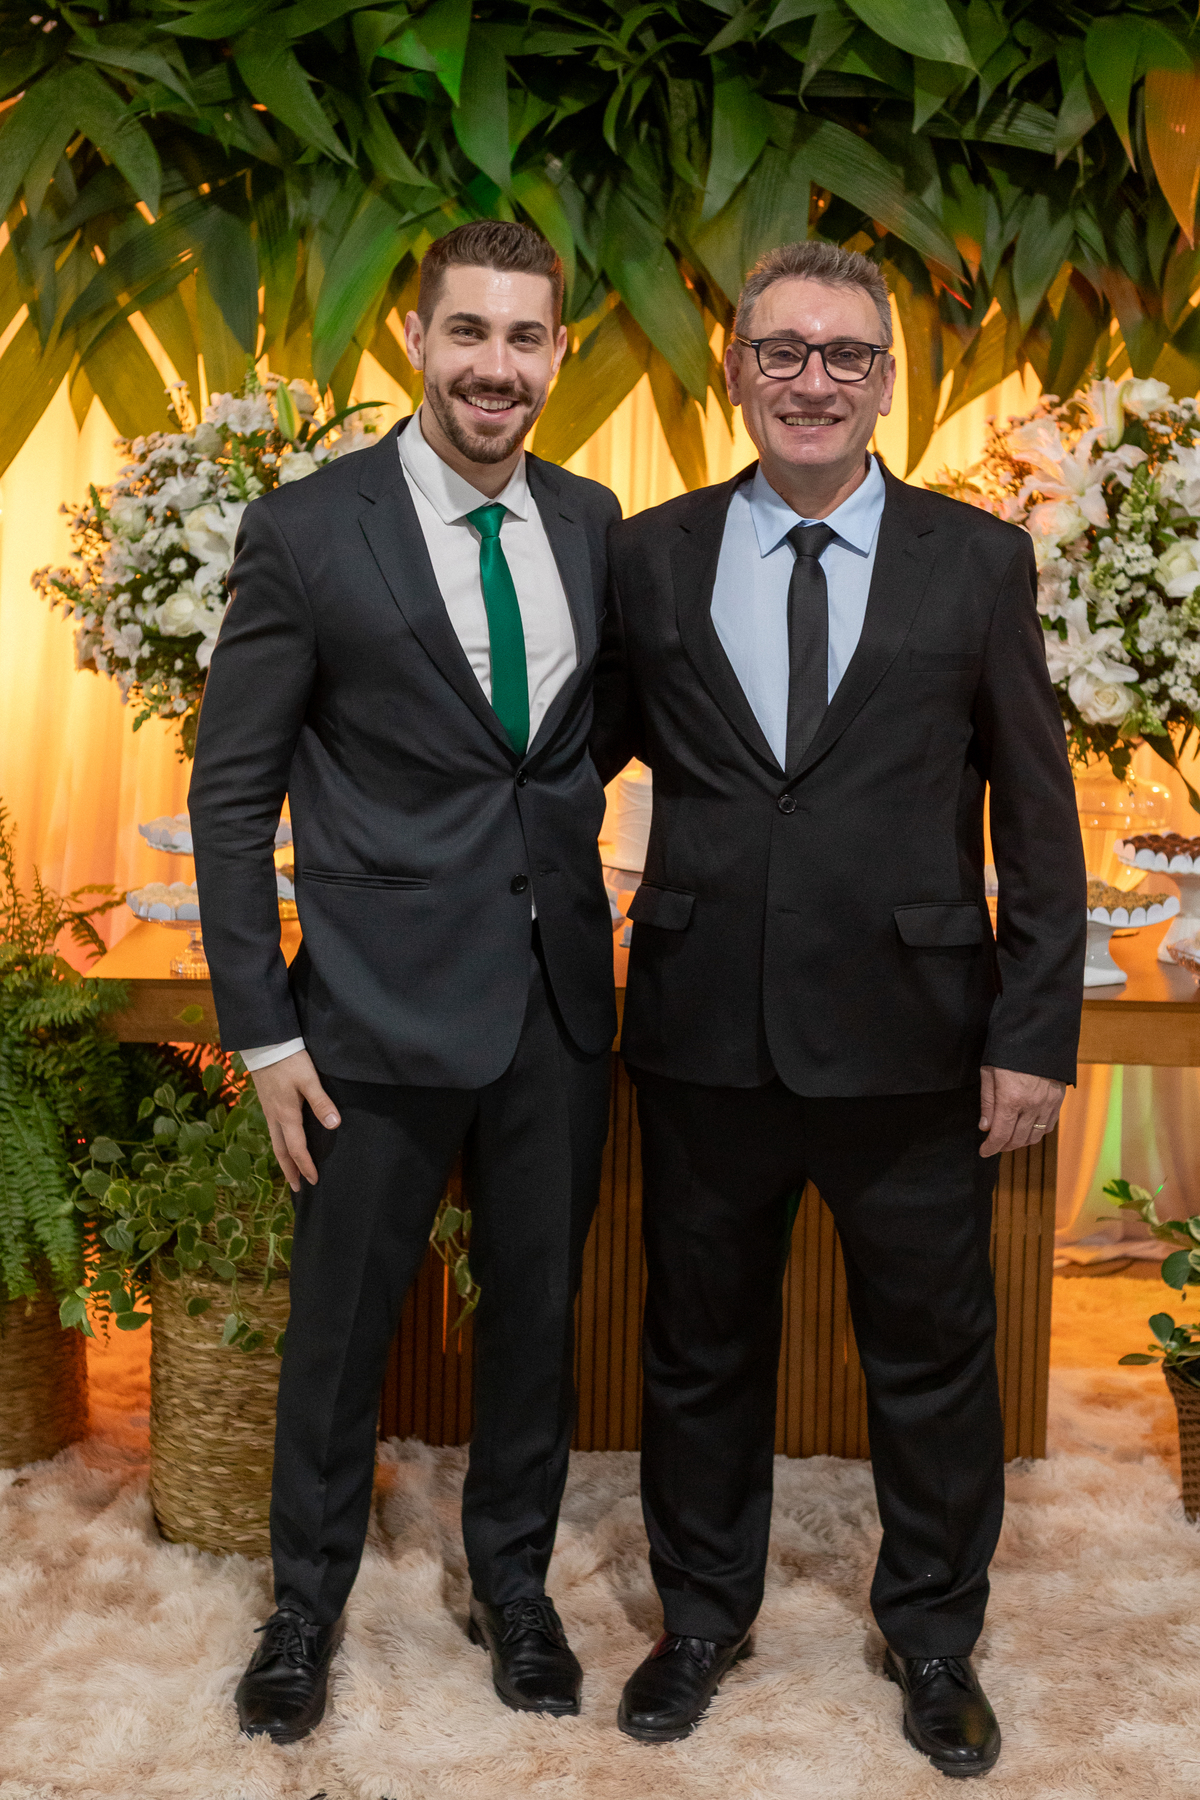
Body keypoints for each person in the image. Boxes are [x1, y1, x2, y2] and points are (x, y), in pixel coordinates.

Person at [591, 240, 1085, 1776]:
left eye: (845, 355)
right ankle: (700, 1618)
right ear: (736, 369)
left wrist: (1031, 1034)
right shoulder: (649, 556)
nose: (813, 379)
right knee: (699, 1350)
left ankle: (933, 1634)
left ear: (886, 382)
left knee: (933, 1357)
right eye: (784, 351)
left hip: (913, 1038)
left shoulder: (978, 562)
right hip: (704, 1033)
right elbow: (564, 764)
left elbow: (1040, 814)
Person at [189, 221, 621, 1744]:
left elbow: (572, 746)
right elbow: (229, 797)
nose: (496, 366)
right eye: (470, 332)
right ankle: (303, 1606)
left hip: (556, 1004)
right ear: (417, 341)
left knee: (538, 1319)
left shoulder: (592, 522)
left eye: (525, 337)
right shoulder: (310, 531)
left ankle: (514, 1586)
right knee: (340, 1333)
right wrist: (262, 1033)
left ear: (557, 355)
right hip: (365, 1014)